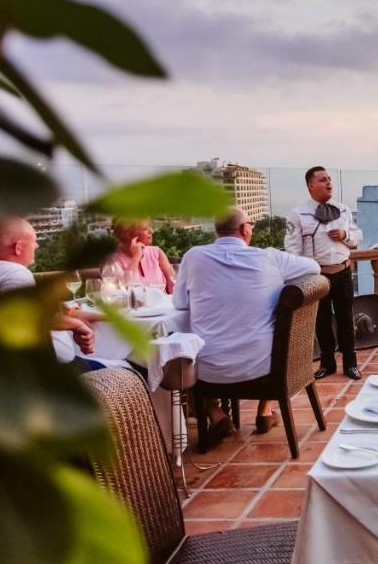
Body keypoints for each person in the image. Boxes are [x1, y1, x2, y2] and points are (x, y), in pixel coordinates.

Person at [175, 209, 320, 440]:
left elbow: (180, 303)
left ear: (216, 231)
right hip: (262, 365)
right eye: (251, 225)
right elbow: (314, 267)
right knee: (269, 333)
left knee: (185, 351)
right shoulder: (269, 258)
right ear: (245, 229)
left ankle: (215, 413)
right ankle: (264, 410)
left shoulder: (194, 257)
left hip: (209, 369)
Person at [0, 216, 101, 367]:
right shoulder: (15, 273)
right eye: (34, 241)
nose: (36, 246)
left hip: (9, 367)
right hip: (54, 370)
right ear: (18, 247)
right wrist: (75, 325)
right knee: (129, 366)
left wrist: (67, 315)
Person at [285, 166, 363, 381]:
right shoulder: (298, 214)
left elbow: (358, 235)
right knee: (321, 321)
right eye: (322, 180)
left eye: (329, 179)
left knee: (346, 319)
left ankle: (351, 364)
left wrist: (345, 234)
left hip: (343, 271)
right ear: (311, 186)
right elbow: (292, 249)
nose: (328, 183)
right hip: (316, 276)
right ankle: (327, 364)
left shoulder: (344, 209)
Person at [102, 218, 175, 293]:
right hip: (132, 304)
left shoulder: (156, 253)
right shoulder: (113, 262)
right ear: (130, 235)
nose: (151, 232)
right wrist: (136, 257)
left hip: (163, 303)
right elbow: (119, 292)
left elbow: (174, 284)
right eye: (145, 229)